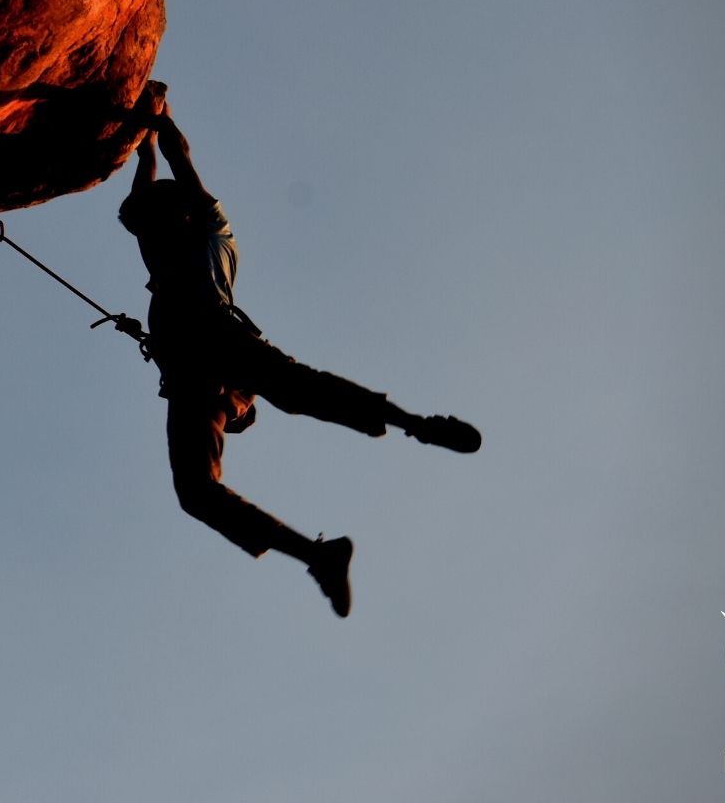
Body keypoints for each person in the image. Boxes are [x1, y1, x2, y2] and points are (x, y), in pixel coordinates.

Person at [118, 82, 480, 617]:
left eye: (152, 222)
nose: (145, 234)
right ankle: (317, 556)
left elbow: (176, 158)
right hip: (194, 375)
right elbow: (148, 172)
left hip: (217, 335)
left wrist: (160, 116)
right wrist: (144, 131)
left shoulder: (211, 232)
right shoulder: (163, 248)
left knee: (295, 389)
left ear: (180, 217)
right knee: (196, 491)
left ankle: (415, 423)